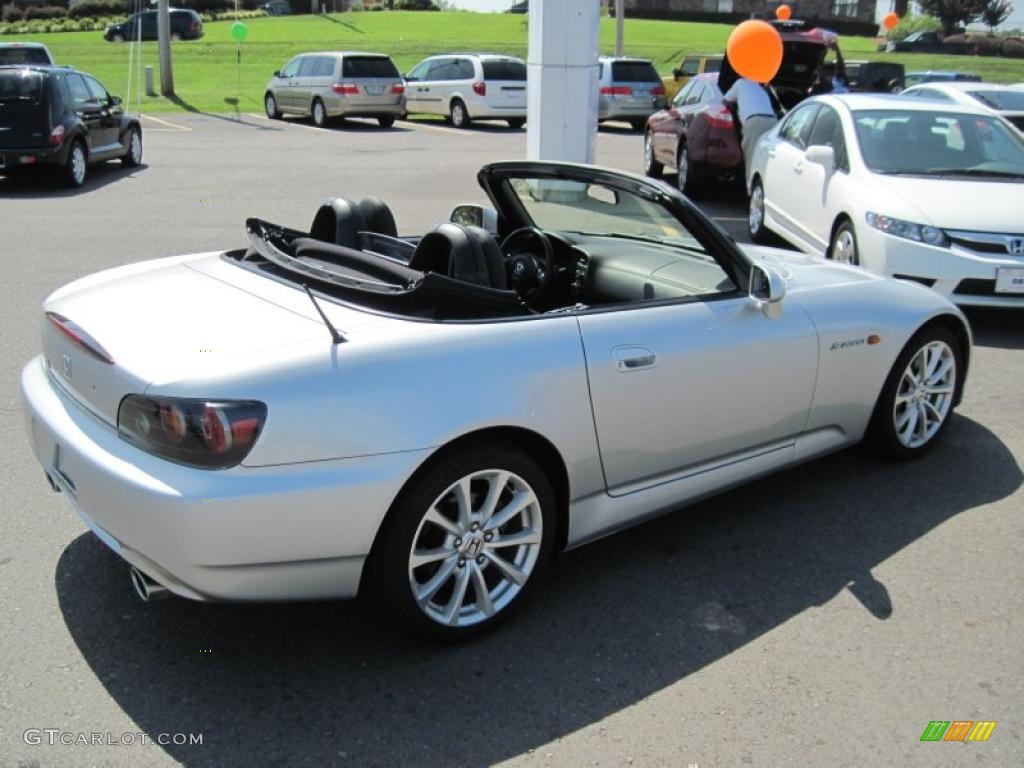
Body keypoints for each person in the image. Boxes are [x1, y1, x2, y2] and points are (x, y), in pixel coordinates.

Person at [723, 76, 778, 180]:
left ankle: (751, 190)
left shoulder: (740, 83)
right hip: (773, 122)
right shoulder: (760, 88)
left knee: (752, 159)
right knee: (766, 159)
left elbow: (725, 101)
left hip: (754, 122)